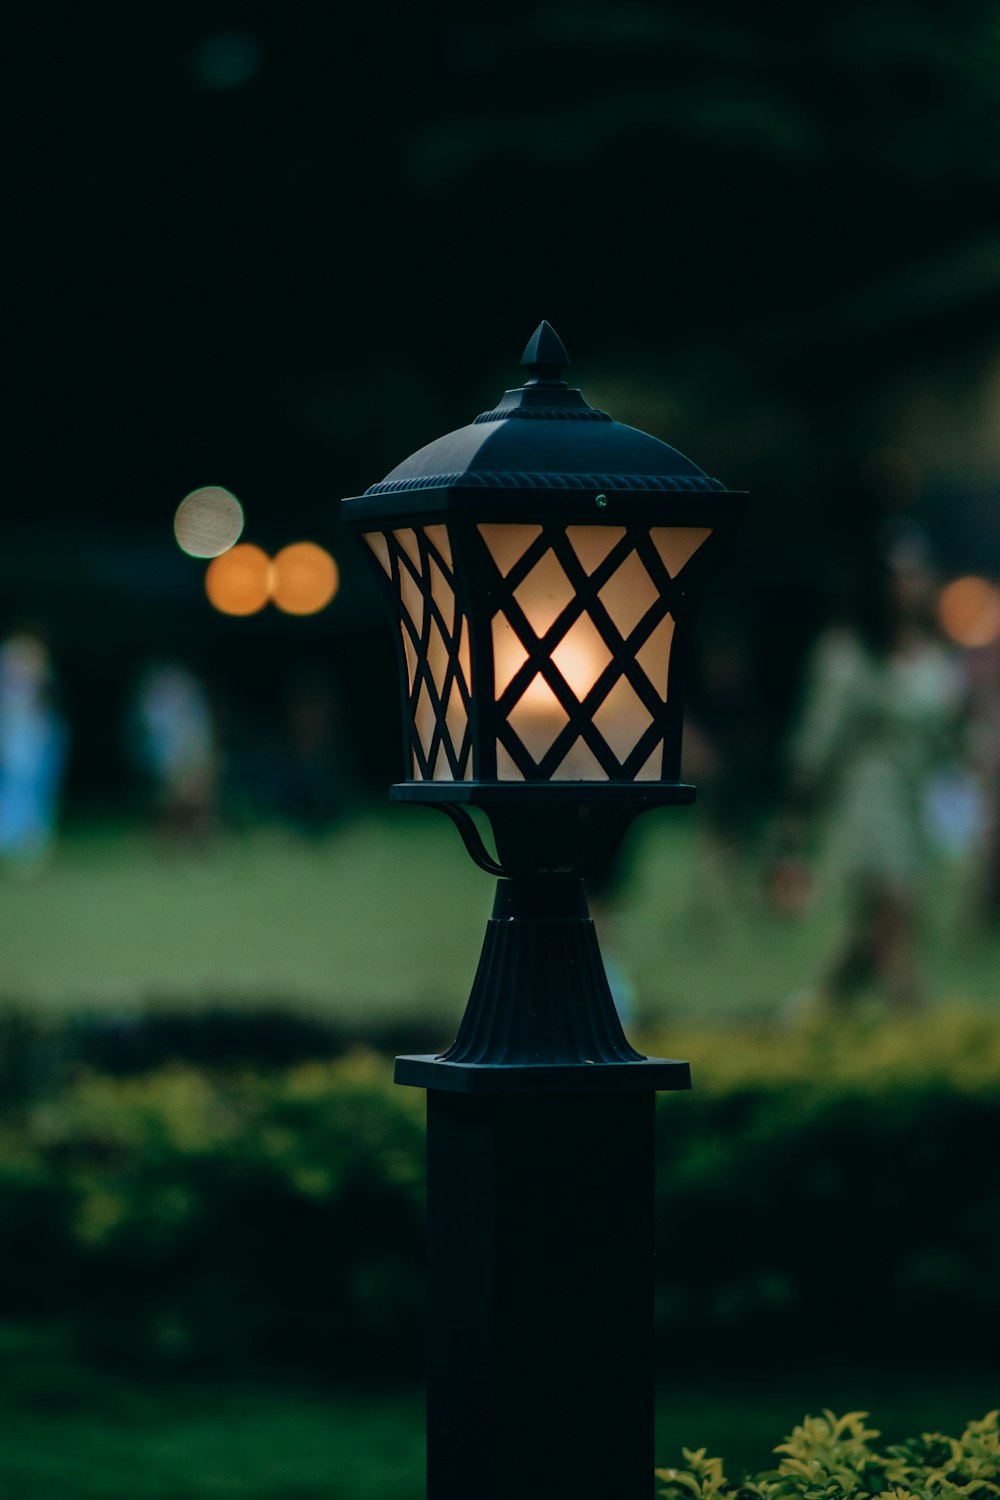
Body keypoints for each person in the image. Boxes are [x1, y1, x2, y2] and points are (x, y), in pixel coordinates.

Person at [780, 536, 964, 1012]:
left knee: (872, 931)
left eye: (918, 573)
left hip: (913, 802)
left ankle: (814, 1014)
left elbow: (948, 737)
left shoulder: (932, 657)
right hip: (866, 800)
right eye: (901, 575)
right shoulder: (849, 653)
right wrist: (797, 821)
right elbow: (818, 739)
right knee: (891, 916)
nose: (912, 585)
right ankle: (916, 1019)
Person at [0, 631, 69, 874]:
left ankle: (30, 847)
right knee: (19, 791)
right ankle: (19, 847)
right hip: (20, 735)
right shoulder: (16, 670)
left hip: (36, 735)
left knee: (35, 791)